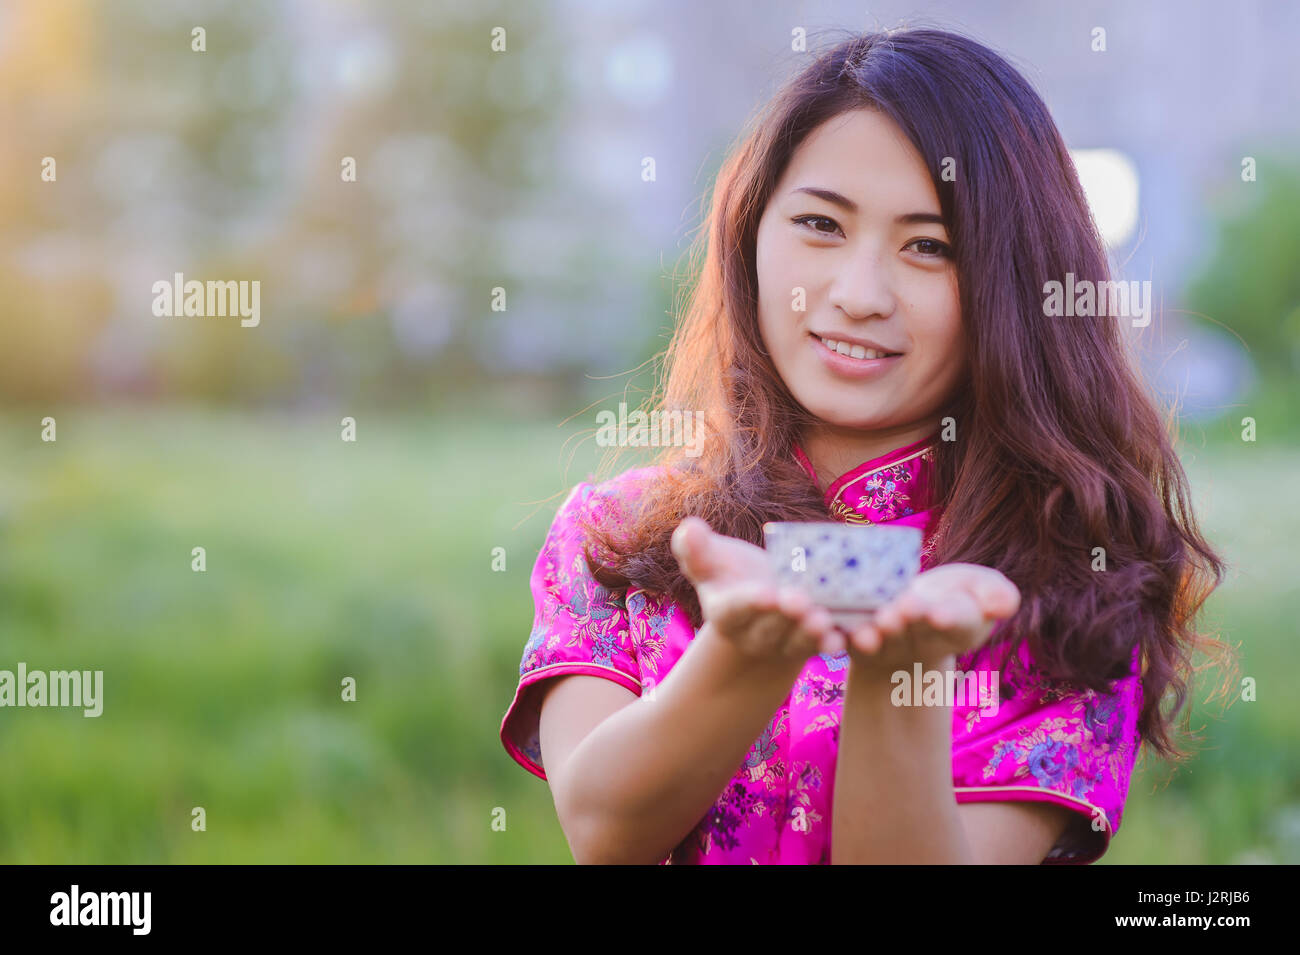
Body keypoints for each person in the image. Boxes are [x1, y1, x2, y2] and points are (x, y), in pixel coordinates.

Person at [499, 27, 1228, 864]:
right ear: (750, 235)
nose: (858, 294)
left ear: (1013, 283)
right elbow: (604, 830)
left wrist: (901, 677)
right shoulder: (621, 536)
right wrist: (741, 652)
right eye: (819, 223)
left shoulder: (1068, 579)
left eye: (930, 246)